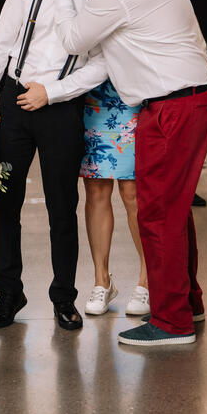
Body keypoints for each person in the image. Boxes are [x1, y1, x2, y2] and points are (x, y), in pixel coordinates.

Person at [48, 0, 207, 346]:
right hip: (195, 98)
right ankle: (189, 303)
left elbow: (72, 40)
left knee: (157, 214)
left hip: (171, 108)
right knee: (175, 211)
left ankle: (172, 323)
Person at [0, 0, 107, 331]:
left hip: (61, 107)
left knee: (62, 207)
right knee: (5, 204)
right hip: (14, 102)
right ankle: (8, 294)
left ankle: (63, 298)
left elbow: (100, 65)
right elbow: (1, 43)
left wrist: (50, 93)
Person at [81, 79, 149, 317]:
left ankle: (147, 280)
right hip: (91, 96)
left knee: (133, 192)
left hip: (133, 96)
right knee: (96, 190)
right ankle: (102, 281)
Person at [178, 0, 207, 209]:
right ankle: (188, 190)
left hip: (188, 93)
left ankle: (187, 190)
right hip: (192, 92)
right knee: (188, 149)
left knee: (187, 149)